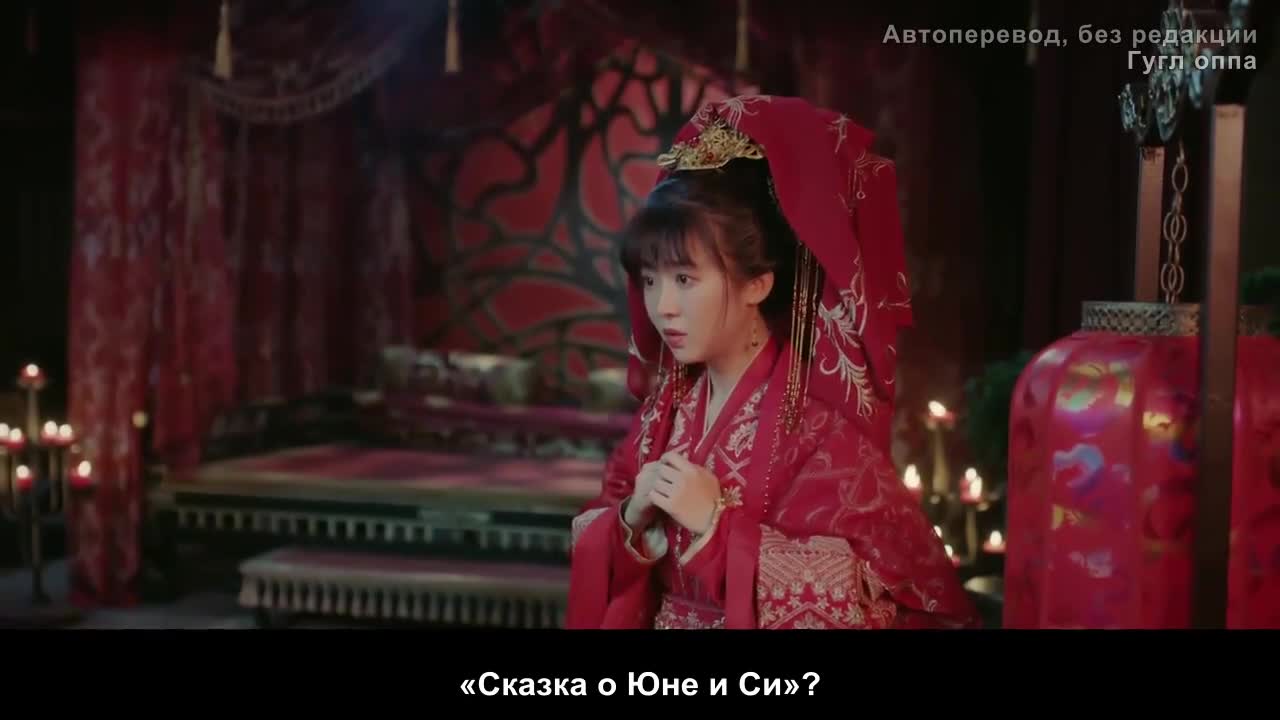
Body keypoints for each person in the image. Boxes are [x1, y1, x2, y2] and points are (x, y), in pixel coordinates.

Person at [566, 95, 979, 629]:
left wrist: (718, 529)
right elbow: (595, 530)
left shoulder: (819, 432)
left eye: (685, 279)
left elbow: (881, 590)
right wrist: (628, 521)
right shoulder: (661, 417)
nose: (662, 305)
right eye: (649, 279)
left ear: (758, 284)